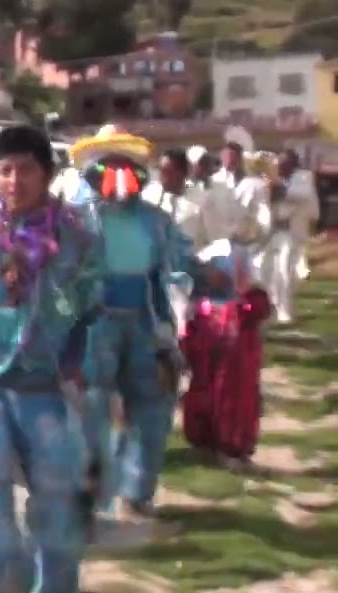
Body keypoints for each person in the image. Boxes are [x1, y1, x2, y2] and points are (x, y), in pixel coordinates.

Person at [0, 125, 104, 593]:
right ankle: (0, 591)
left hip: (47, 384)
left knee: (57, 491)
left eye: (26, 169)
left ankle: (57, 592)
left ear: (48, 174)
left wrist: (83, 366)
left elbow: (91, 308)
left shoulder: (78, 237)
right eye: (5, 169)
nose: (14, 180)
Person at [69, 126, 194, 527]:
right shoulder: (74, 218)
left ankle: (135, 496)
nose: (119, 172)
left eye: (127, 164)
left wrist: (204, 277)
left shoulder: (156, 220)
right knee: (89, 414)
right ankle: (83, 503)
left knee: (154, 406)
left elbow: (180, 262)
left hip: (145, 321)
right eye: (109, 164)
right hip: (92, 327)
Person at [181, 240, 272, 468]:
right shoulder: (208, 254)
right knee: (205, 388)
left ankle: (230, 446)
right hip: (211, 327)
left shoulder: (241, 261)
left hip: (234, 335)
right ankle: (207, 443)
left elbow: (257, 305)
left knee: (232, 392)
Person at [143, 148, 215, 337]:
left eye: (168, 172)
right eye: (161, 171)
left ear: (183, 173)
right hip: (153, 275)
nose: (162, 177)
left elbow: (213, 239)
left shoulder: (201, 201)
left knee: (183, 325)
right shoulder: (150, 196)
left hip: (187, 275)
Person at [261, 148, 318, 324]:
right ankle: (272, 306)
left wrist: (280, 187)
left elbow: (301, 195)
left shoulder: (304, 177)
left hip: (291, 231)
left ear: (293, 165)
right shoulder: (271, 179)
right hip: (272, 230)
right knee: (268, 270)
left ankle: (285, 312)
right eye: (279, 164)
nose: (280, 167)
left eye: (284, 164)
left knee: (285, 270)